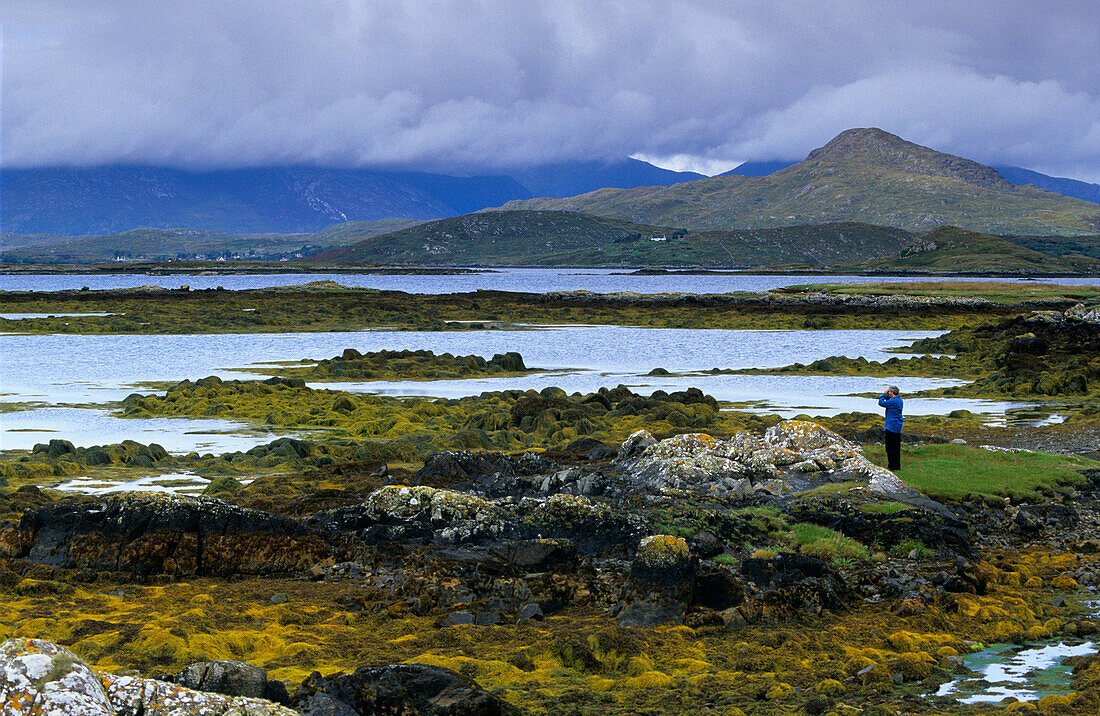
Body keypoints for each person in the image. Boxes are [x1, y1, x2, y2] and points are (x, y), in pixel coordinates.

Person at [878, 386, 903, 470]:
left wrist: (884, 394)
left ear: (892, 393)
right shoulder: (899, 400)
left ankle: (892, 466)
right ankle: (896, 466)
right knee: (896, 448)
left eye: (889, 392)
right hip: (897, 426)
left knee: (890, 447)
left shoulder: (893, 401)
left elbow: (881, 403)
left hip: (891, 426)